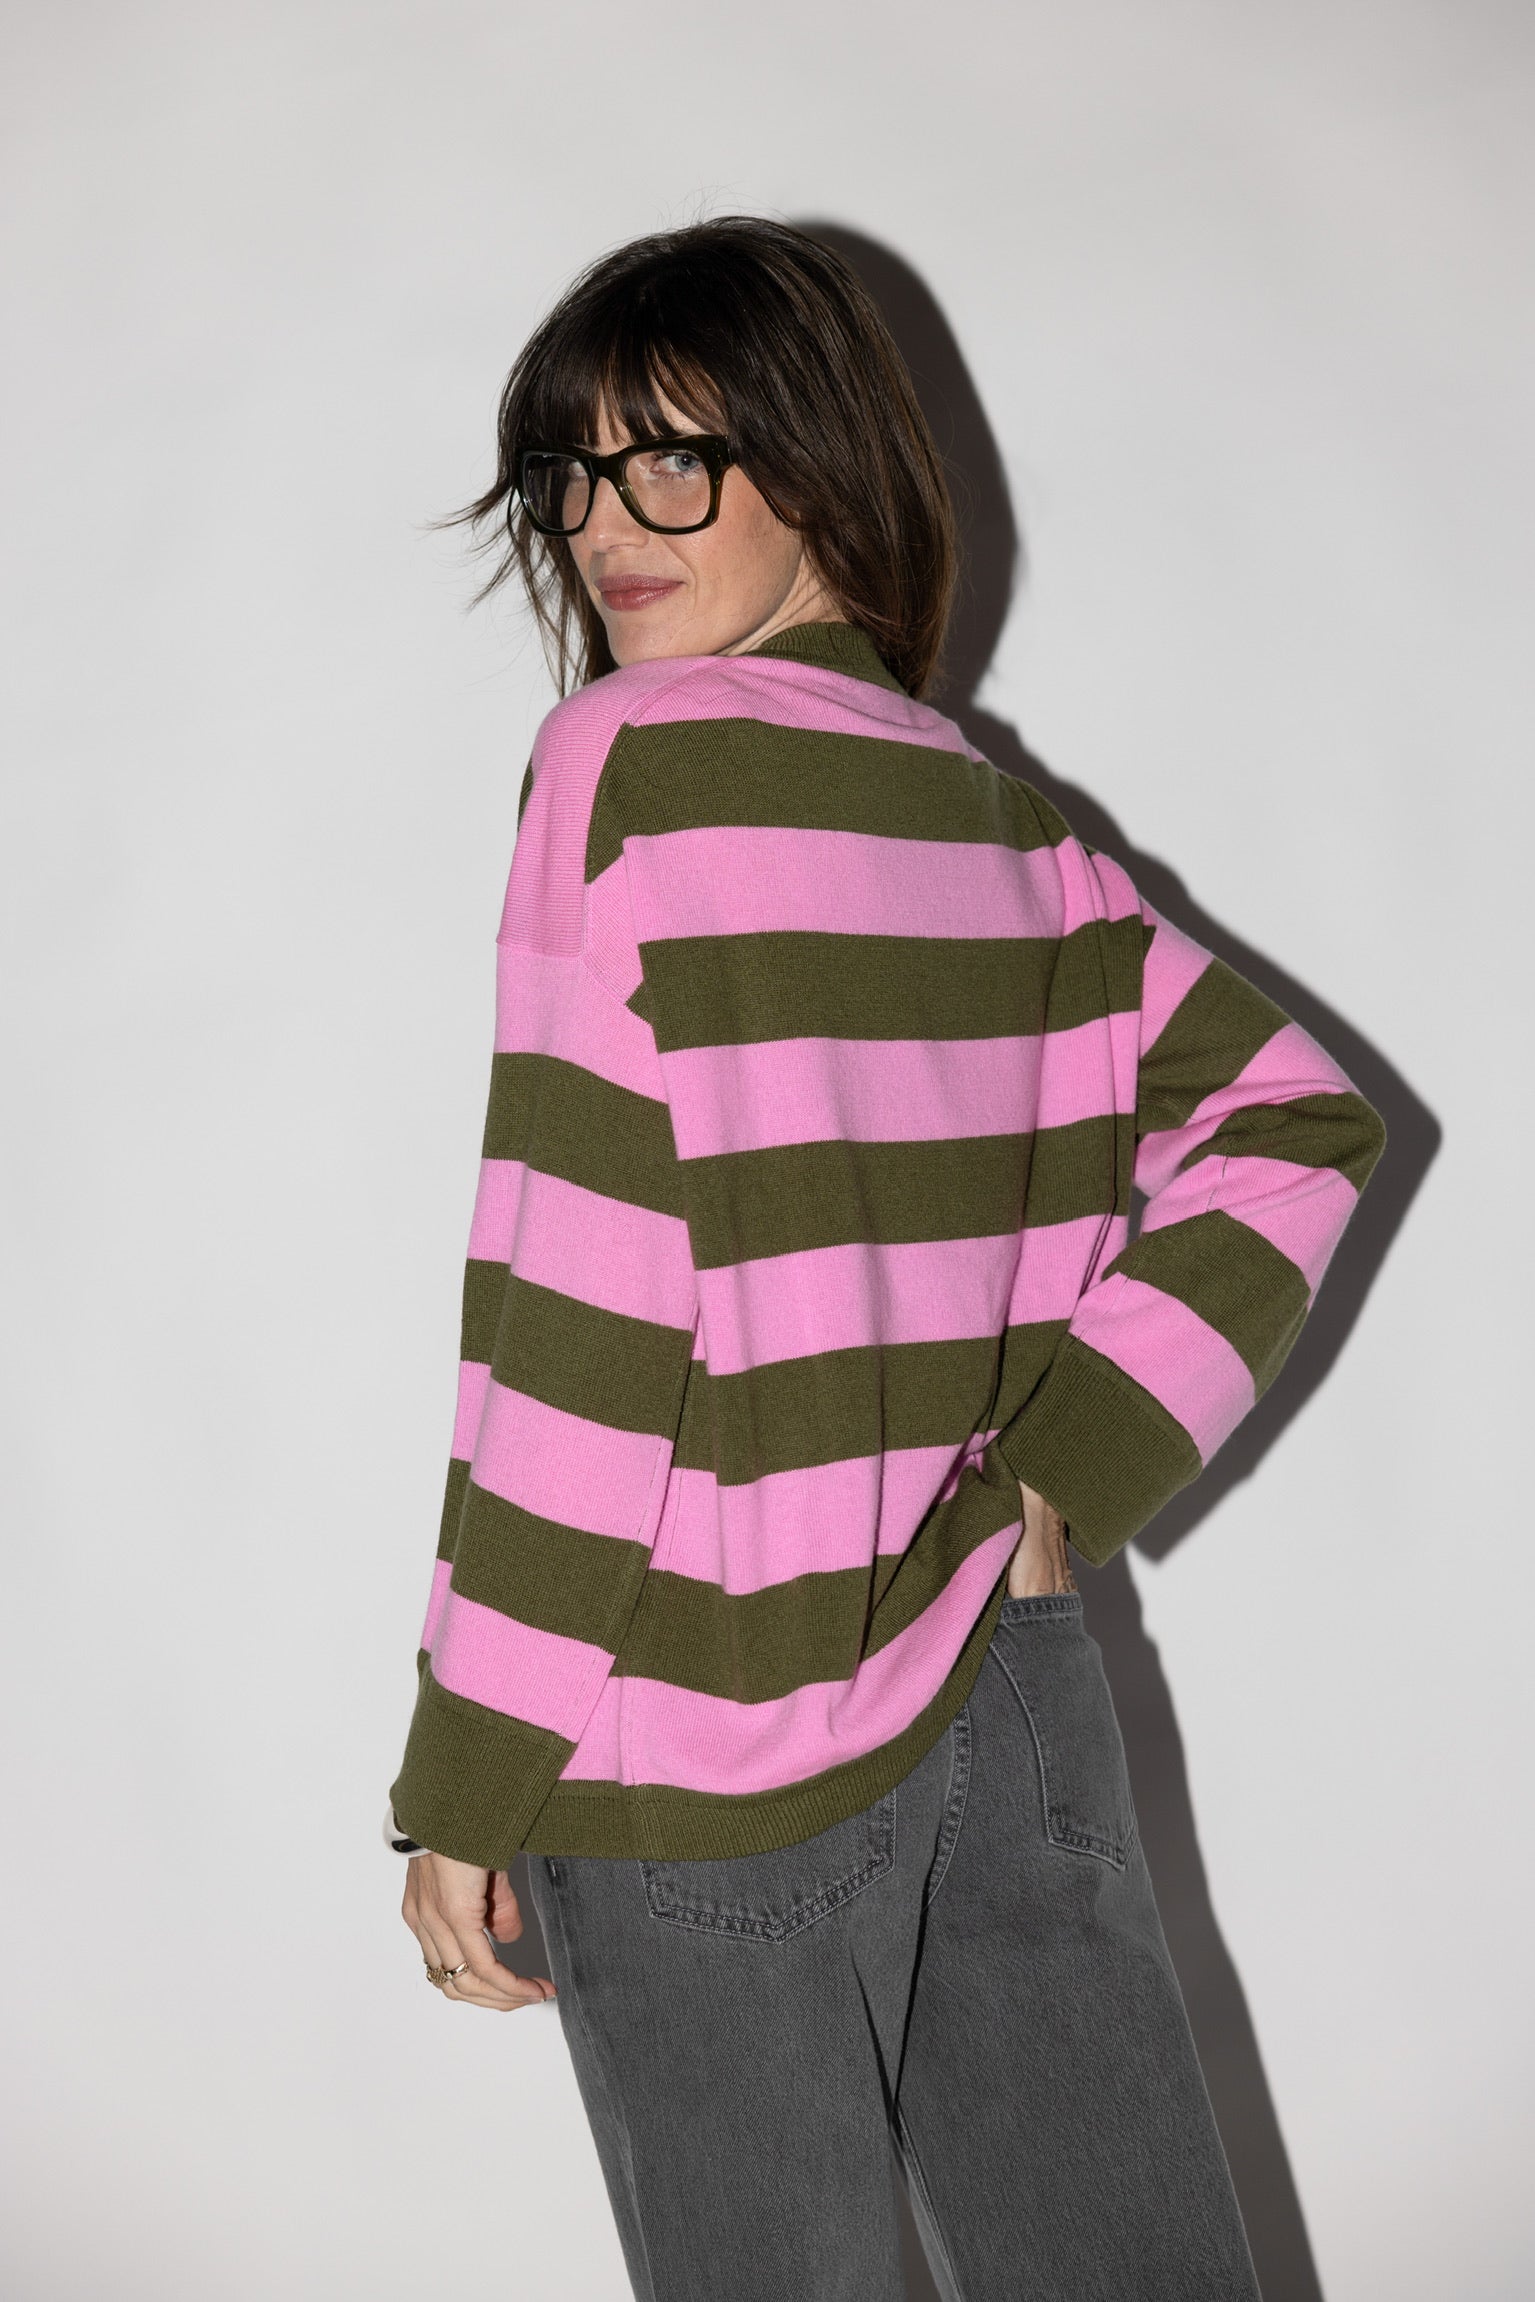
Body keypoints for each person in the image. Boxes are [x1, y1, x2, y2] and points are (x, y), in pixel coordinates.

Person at [386, 217, 1385, 2302]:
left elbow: (584, 1316)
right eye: (573, 472)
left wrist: (467, 1768)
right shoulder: (1013, 835)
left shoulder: (629, 764)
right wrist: (1057, 1477)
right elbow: (1295, 1124)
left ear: (821, 456)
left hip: (697, 1726)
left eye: (676, 459)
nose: (607, 525)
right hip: (1004, 1680)